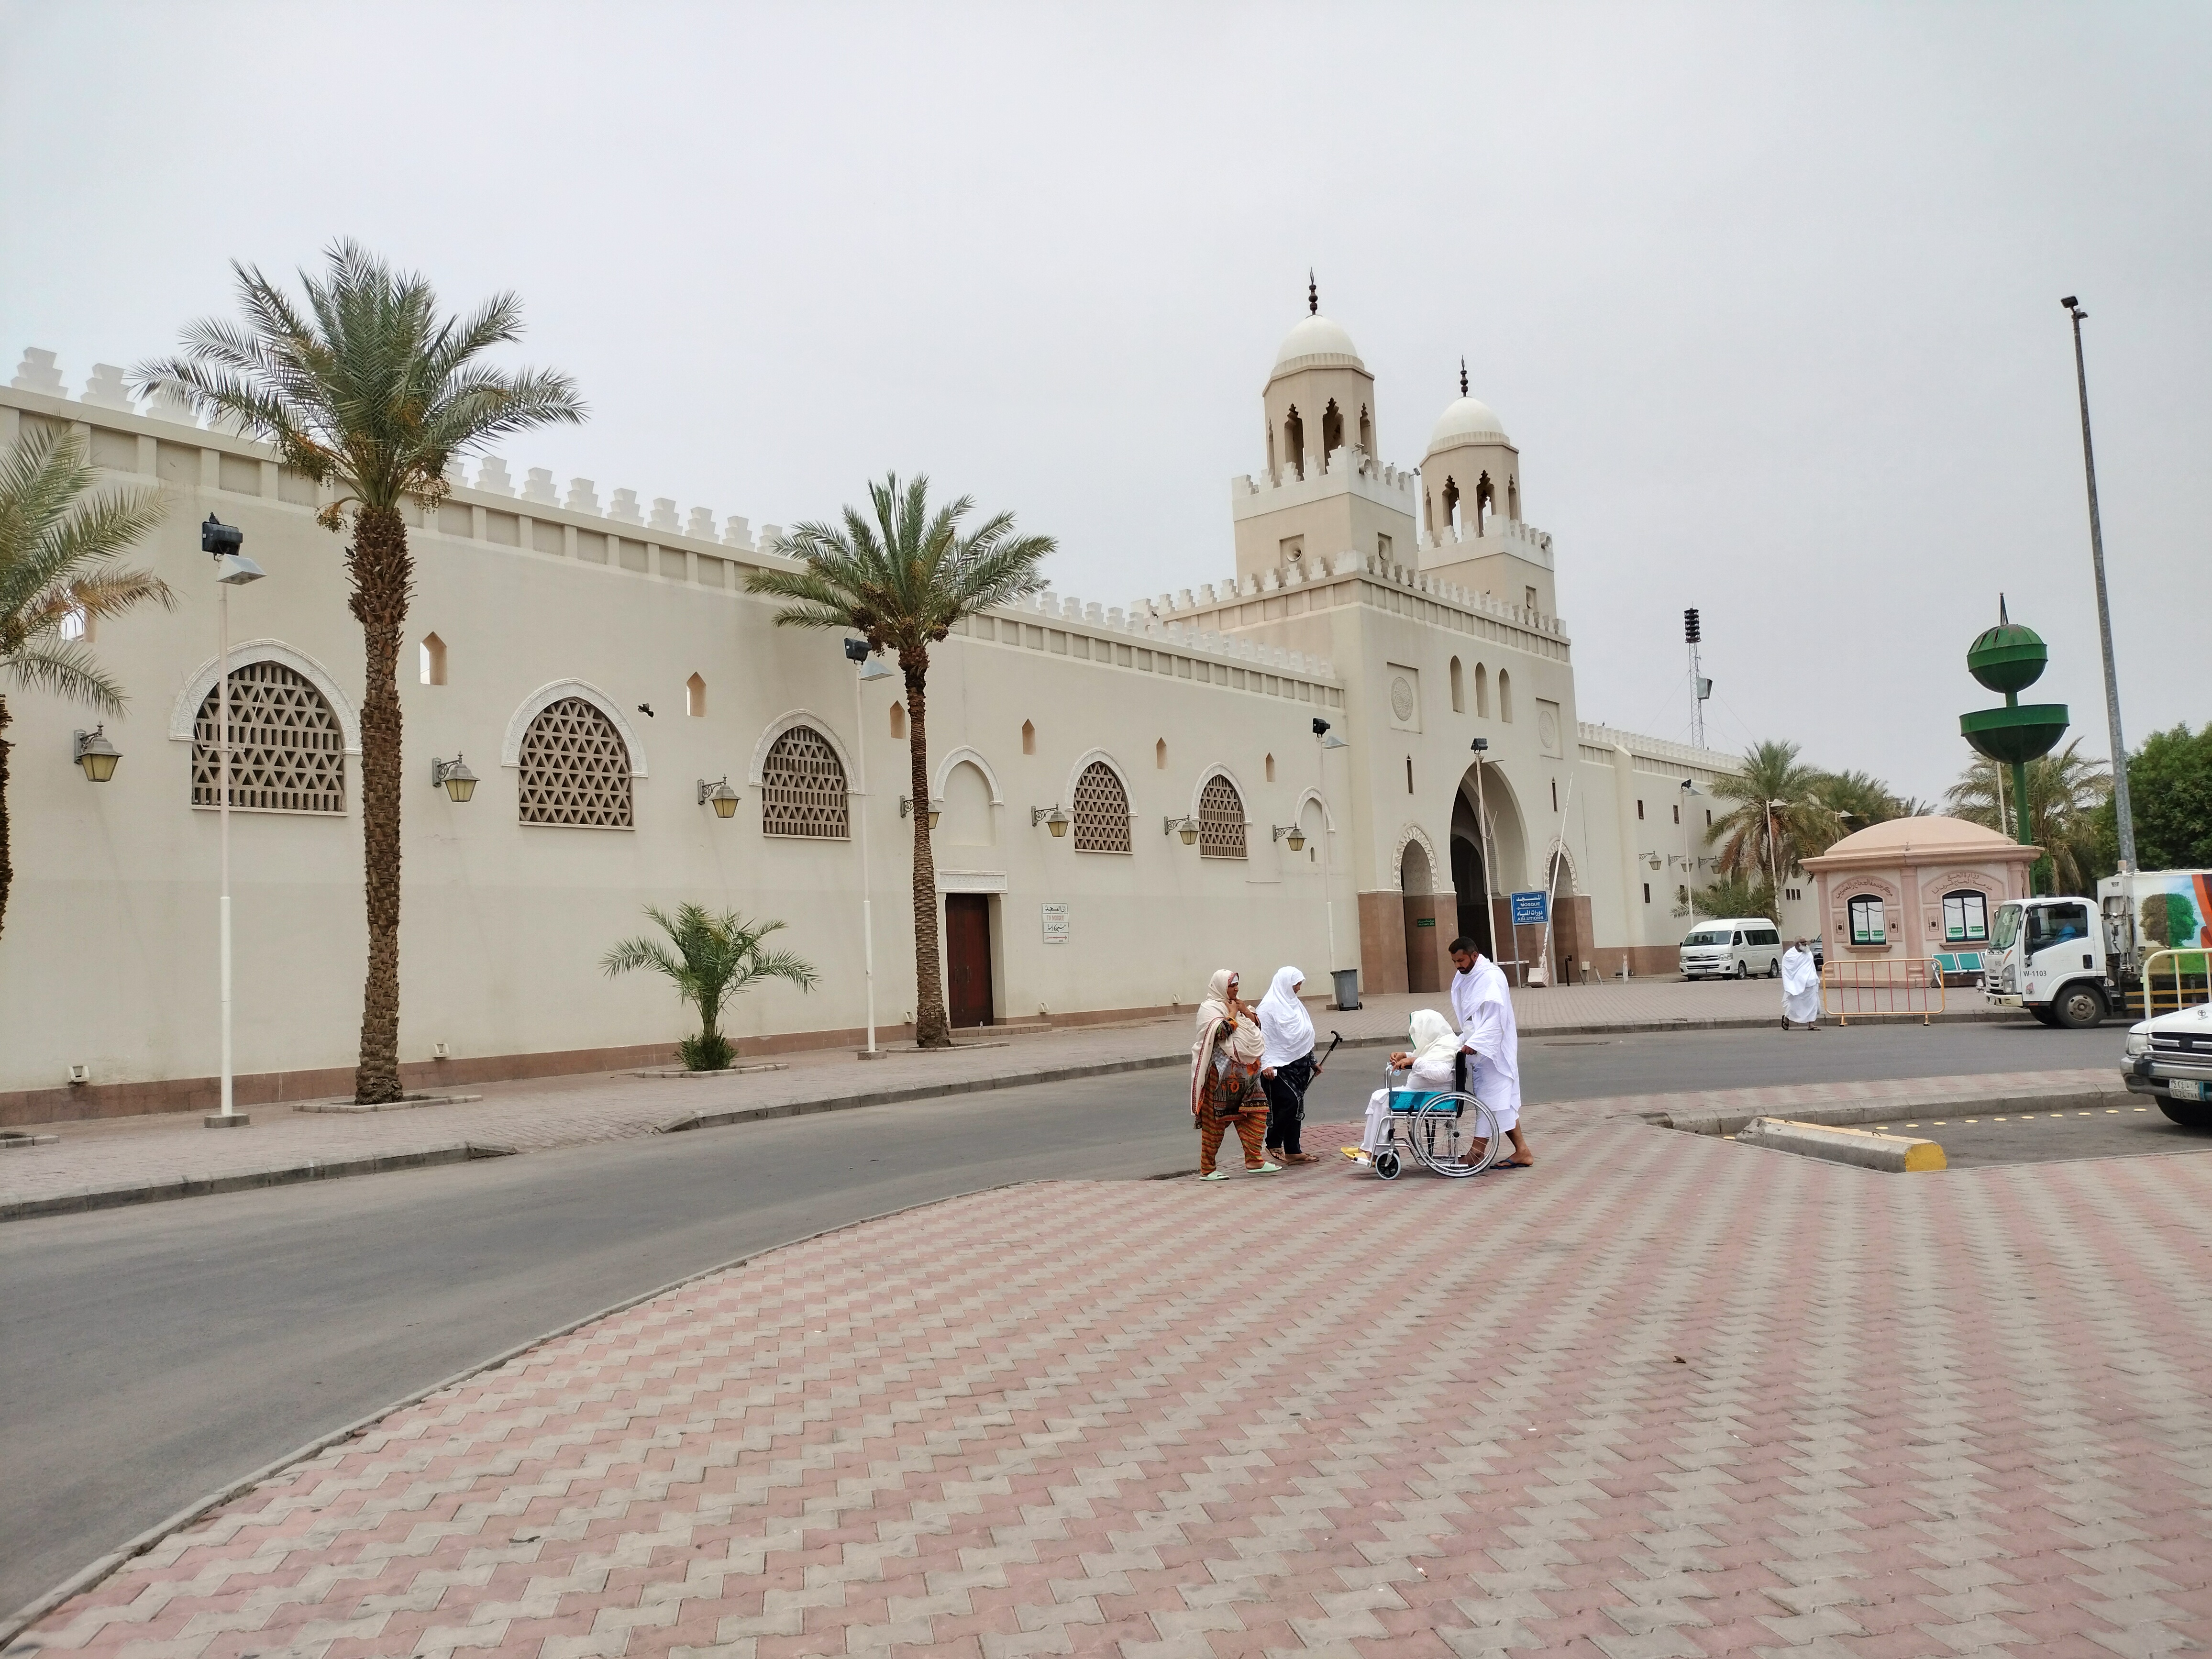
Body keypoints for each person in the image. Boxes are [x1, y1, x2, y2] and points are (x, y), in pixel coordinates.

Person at [1449, 937, 1532, 1167]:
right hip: (1479, 1047)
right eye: (1455, 961)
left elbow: (1496, 1019)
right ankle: (1523, 1151)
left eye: (1462, 960)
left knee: (1489, 1101)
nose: (1458, 965)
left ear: (1475, 956)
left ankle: (1477, 1152)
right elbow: (1470, 1014)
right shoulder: (1465, 976)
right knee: (1499, 1102)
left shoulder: (1491, 977)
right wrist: (1466, 1039)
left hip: (1494, 1050)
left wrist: (1477, 1042)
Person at [1191, 969, 1278, 1180]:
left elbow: (1256, 1026)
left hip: (1247, 1075)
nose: (1236, 989)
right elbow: (1220, 1033)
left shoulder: (1239, 1006)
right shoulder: (1209, 1008)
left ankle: (1254, 1160)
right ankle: (1208, 1169)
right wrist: (1231, 1014)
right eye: (1232, 986)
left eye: (1237, 985)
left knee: (1258, 1112)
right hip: (1220, 1077)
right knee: (1216, 1122)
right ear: (1221, 987)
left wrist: (1244, 1012)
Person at [1346, 1009, 1460, 1162]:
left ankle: (1376, 1151)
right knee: (1379, 1097)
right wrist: (1406, 1056)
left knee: (1382, 1099)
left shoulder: (1445, 1047)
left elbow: (1440, 1073)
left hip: (1433, 1097)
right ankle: (1368, 1147)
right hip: (1425, 1093)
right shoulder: (1440, 1043)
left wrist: (1414, 1062)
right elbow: (1428, 1057)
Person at [1258, 966, 1322, 1165]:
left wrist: (1312, 1062)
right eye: (1297, 985)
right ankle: (1273, 1141)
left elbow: (1303, 1037)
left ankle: (1294, 1150)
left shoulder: (1295, 1005)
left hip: (1299, 1065)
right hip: (1277, 1067)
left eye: (1300, 985)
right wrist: (1266, 1064)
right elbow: (1263, 1039)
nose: (1298, 989)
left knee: (1297, 1108)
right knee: (1289, 1103)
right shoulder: (1267, 1008)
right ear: (1286, 983)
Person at [1781, 936, 1822, 1031]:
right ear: (1797, 944)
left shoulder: (1808, 953)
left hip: (1810, 983)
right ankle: (1787, 1018)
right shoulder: (1789, 955)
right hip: (1796, 985)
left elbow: (1811, 967)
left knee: (1812, 1004)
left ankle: (1811, 1024)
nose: (1806, 944)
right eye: (1803, 942)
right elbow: (1787, 971)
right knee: (1794, 1004)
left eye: (1805, 942)